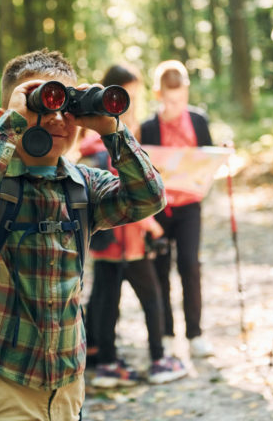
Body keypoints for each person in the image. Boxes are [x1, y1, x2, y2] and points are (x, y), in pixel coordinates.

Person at [0, 50, 166, 419]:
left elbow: (150, 196)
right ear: (8, 117)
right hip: (0, 381)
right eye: (42, 103)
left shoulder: (83, 187)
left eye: (67, 104)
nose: (56, 116)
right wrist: (12, 122)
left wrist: (113, 130)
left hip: (65, 386)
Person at [81, 64, 187, 387]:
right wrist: (149, 222)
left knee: (106, 301)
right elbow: (125, 184)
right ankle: (157, 359)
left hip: (108, 243)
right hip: (126, 239)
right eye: (129, 96)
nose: (133, 103)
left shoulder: (105, 133)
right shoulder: (107, 136)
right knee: (149, 298)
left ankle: (108, 363)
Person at [140, 60, 215, 358]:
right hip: (159, 209)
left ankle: (195, 333)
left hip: (189, 206)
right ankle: (167, 332)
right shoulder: (148, 128)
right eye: (170, 100)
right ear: (158, 94)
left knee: (190, 265)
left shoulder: (198, 120)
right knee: (160, 270)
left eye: (181, 99)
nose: (176, 106)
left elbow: (208, 158)